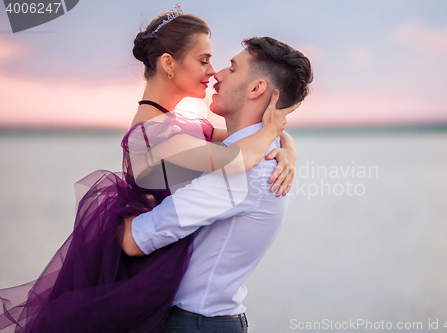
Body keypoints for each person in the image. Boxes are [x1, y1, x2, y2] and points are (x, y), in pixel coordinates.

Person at [0, 6, 299, 333]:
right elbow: (238, 158)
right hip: (147, 272)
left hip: (173, 288)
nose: (213, 72)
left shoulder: (183, 128)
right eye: (204, 60)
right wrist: (274, 132)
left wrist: (287, 145)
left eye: (221, 64)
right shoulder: (155, 137)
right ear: (169, 63)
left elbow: (238, 145)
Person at [122, 35, 313, 332]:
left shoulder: (242, 173)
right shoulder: (254, 154)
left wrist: (100, 225)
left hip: (195, 324)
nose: (217, 74)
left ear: (256, 88)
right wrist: (289, 145)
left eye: (232, 68)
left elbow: (136, 240)